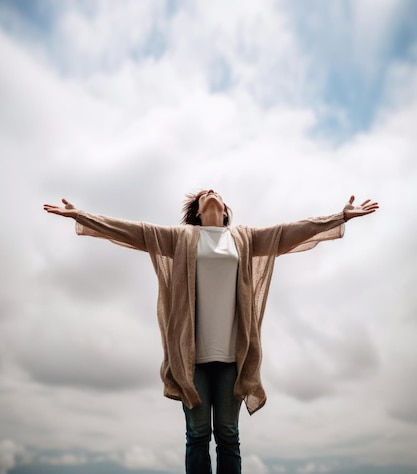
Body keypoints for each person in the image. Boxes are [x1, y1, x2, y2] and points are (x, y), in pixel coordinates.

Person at [43, 190, 378, 474]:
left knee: (229, 434)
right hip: (192, 356)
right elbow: (133, 232)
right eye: (205, 194)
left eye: (216, 193)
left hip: (233, 354)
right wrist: (82, 216)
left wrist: (340, 217)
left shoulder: (244, 238)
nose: (212, 193)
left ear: (225, 211)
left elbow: (291, 231)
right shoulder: (180, 238)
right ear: (198, 212)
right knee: (198, 434)